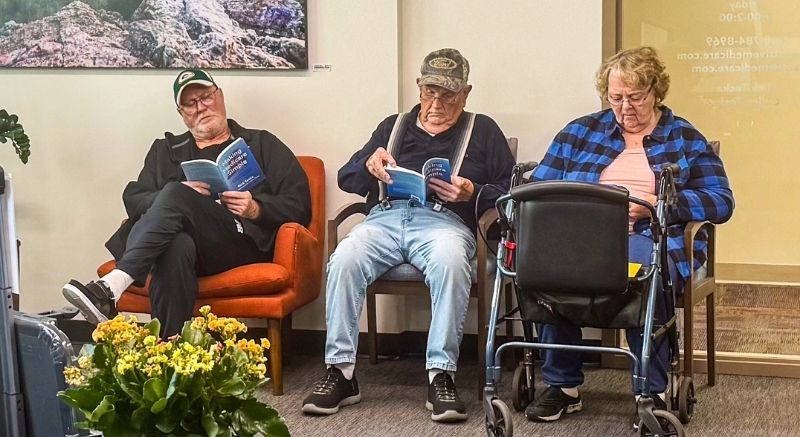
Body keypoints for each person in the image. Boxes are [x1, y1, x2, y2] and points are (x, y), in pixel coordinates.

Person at [301, 48, 515, 422]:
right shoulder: (393, 126)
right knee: (345, 259)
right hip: (384, 220)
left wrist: (472, 191)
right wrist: (369, 166)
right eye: (430, 91)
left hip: (445, 223)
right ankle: (341, 372)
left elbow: (512, 193)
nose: (437, 102)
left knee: (451, 262)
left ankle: (441, 375)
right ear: (418, 87)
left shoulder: (483, 130)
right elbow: (346, 178)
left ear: (466, 93)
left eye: (448, 95)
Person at [526, 46, 734, 424]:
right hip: (583, 237)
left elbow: (721, 202)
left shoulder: (684, 137)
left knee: (646, 273)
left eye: (635, 98)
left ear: (656, 92)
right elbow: (540, 186)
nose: (625, 108)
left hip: (652, 235)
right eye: (616, 98)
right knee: (549, 268)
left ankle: (649, 391)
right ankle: (562, 386)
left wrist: (660, 202)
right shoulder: (579, 132)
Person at [62, 68, 311, 337]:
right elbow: (133, 198)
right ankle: (173, 357)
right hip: (186, 249)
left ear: (220, 96)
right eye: (190, 104)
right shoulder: (165, 151)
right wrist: (174, 194)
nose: (201, 107)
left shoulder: (262, 143)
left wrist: (256, 208)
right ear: (181, 113)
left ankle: (112, 286)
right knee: (175, 243)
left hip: (238, 245)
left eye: (205, 97)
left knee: (175, 194)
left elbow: (300, 203)